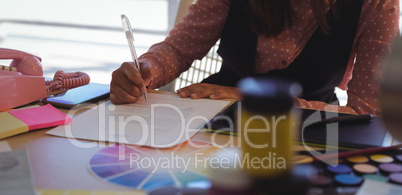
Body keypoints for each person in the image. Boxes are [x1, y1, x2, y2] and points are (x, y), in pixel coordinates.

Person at [110, 0, 400, 116]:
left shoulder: (377, 4)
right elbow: (177, 49)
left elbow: (367, 113)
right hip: (216, 117)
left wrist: (253, 99)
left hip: (307, 126)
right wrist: (148, 68)